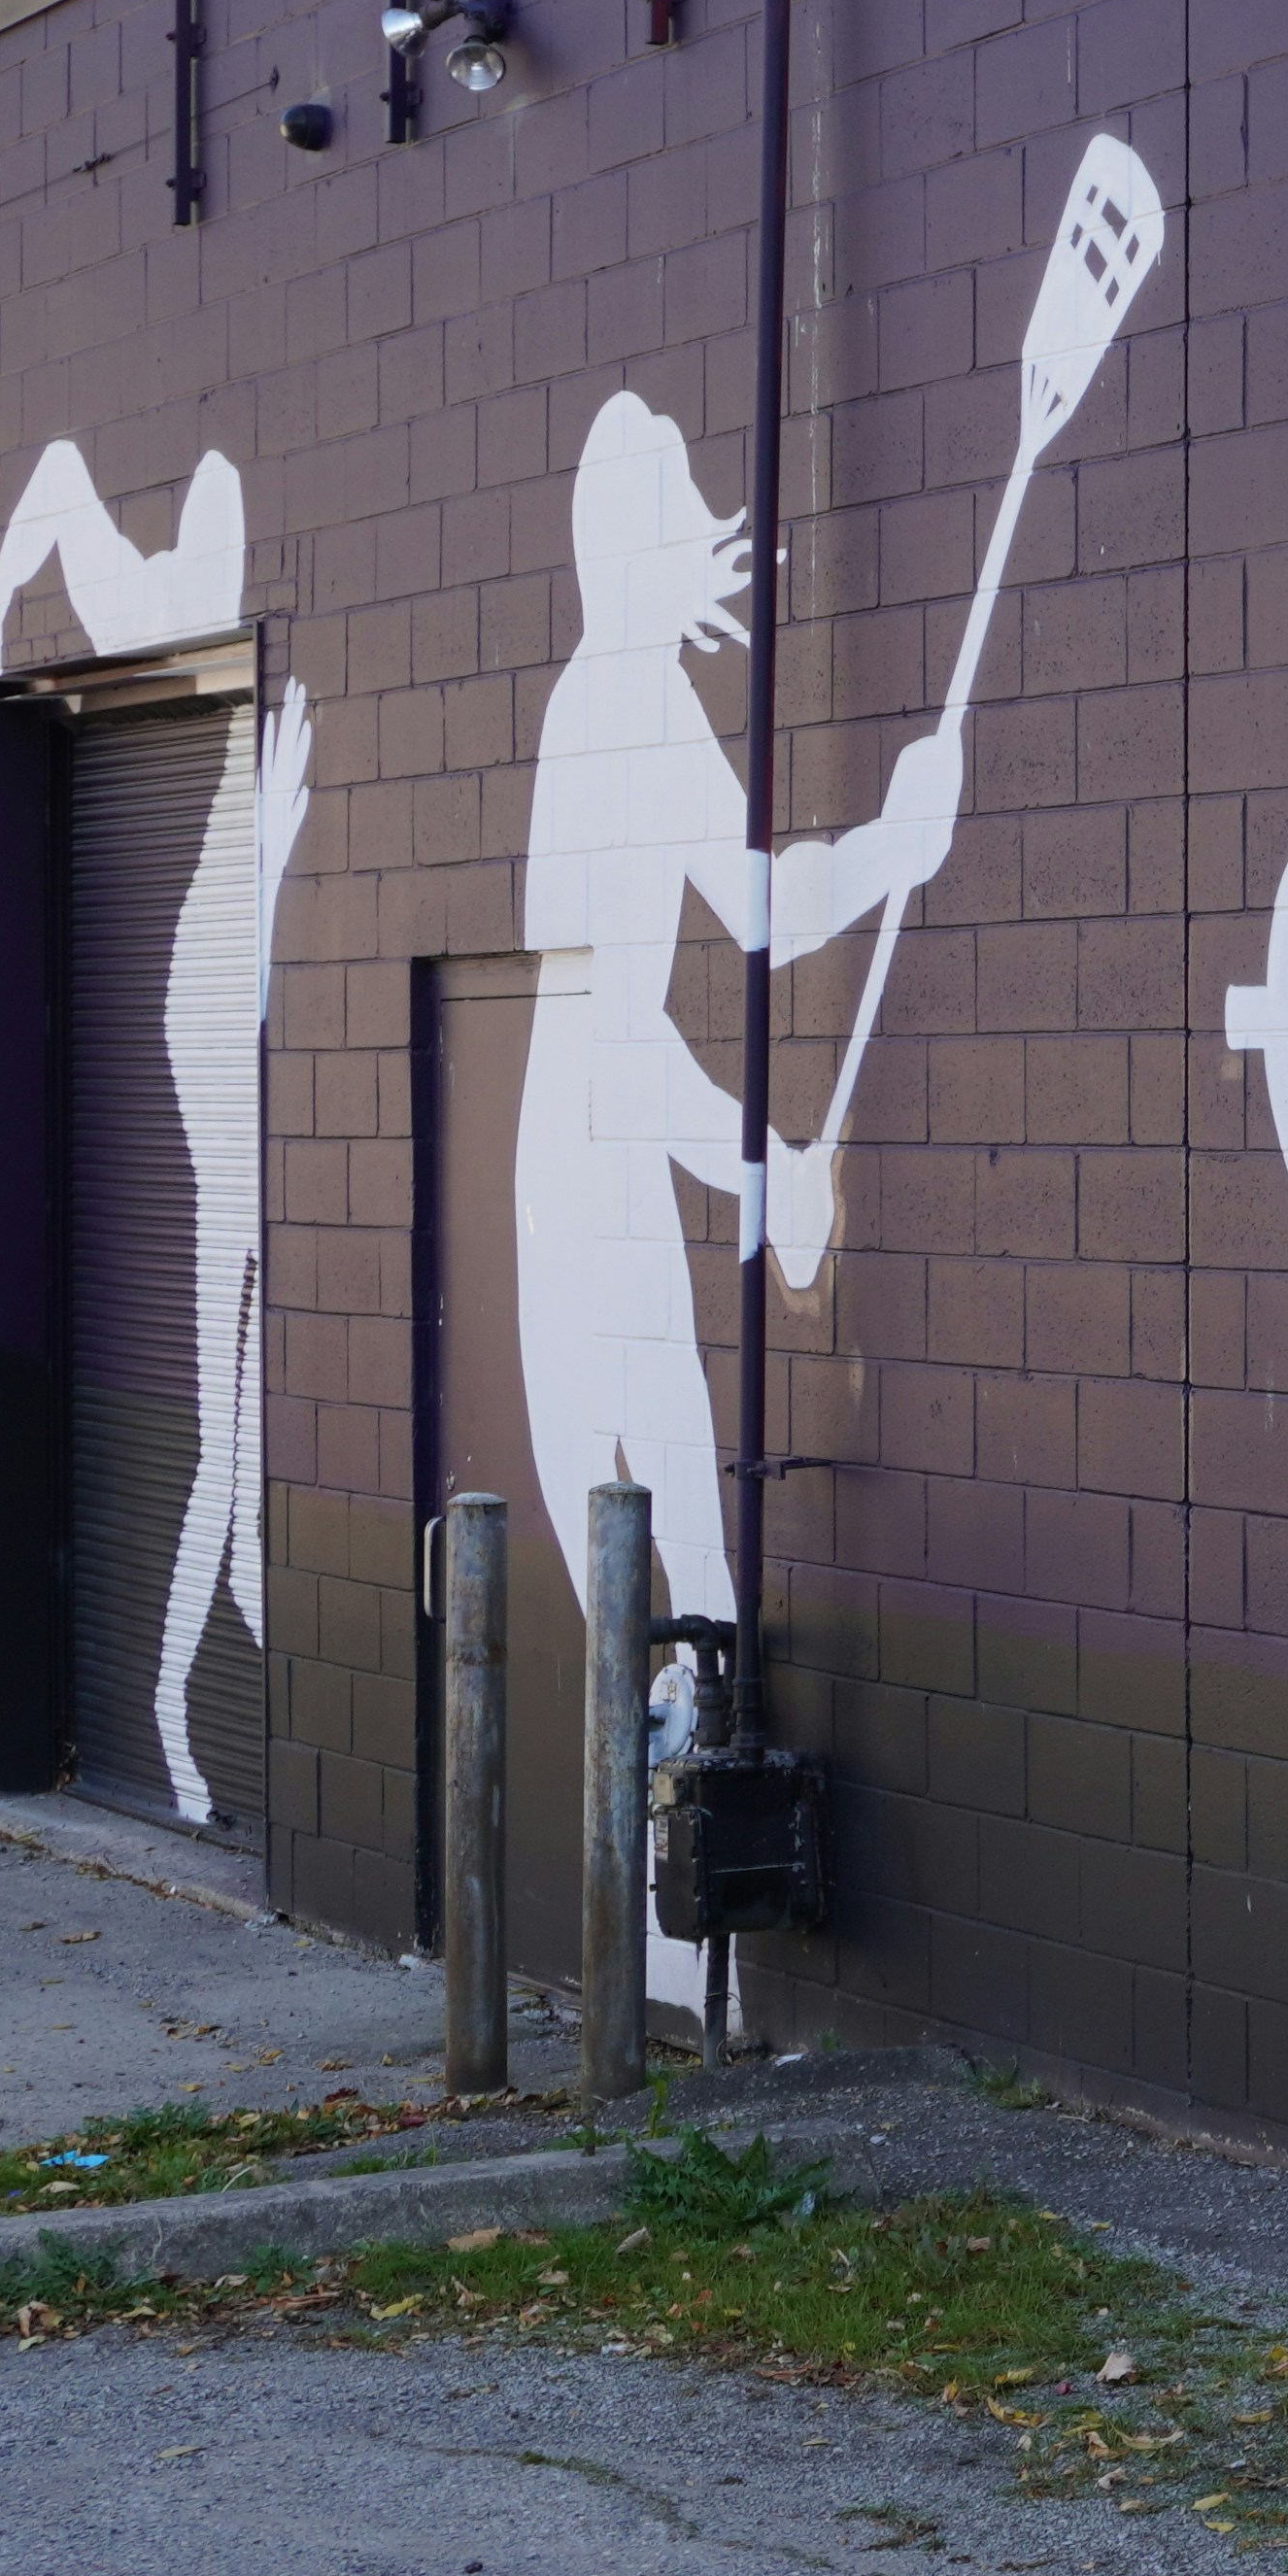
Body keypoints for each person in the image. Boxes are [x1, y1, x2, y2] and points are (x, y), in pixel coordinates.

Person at [513, 390, 956, 1749]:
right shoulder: (620, 705)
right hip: (596, 1188)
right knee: (678, 1592)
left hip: (582, 1180)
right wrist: (763, 1169)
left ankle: (660, 1930)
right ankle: (663, 1928)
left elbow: (757, 914)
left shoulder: (621, 697)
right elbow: (632, 1034)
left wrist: (894, 840)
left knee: (655, 1605)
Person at [0, 442, 312, 1823]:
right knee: (225, 1434)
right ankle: (181, 1708)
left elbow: (55, 475)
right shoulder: (156, 610)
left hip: (213, 1007)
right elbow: (53, 466)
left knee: (233, 1435)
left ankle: (201, 1707)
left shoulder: (198, 651)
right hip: (203, 1020)